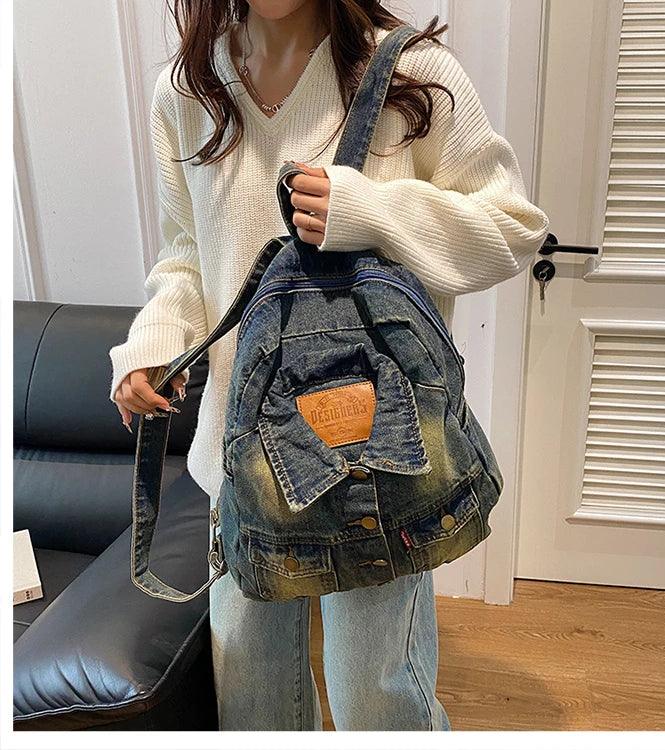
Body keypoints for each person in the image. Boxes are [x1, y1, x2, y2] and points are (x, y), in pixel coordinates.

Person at [109, 0, 549, 732]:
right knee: (254, 700)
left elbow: (513, 227)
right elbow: (186, 250)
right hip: (243, 455)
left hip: (378, 450)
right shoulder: (188, 91)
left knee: (376, 699)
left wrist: (370, 211)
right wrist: (157, 344)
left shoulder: (412, 73)